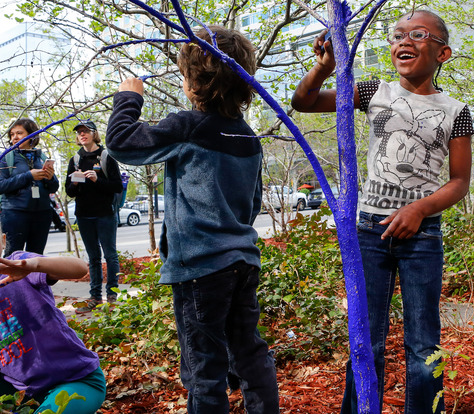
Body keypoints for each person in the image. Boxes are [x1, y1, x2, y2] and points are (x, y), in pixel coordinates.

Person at [292, 10, 473, 414]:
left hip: (422, 237)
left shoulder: (455, 110)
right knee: (365, 339)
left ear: (443, 52)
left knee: (423, 344)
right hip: (369, 234)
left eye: (419, 34)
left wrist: (420, 209)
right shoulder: (376, 90)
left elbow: (460, 180)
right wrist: (324, 68)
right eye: (397, 35)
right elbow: (303, 102)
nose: (404, 40)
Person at [105, 25, 279, 414]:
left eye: (185, 75)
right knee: (249, 353)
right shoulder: (248, 137)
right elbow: (252, 204)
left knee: (204, 369)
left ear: (194, 83)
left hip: (200, 268)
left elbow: (120, 142)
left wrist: (128, 98)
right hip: (243, 262)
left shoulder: (188, 127)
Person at [0, 235, 106, 413]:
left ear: (3, 240)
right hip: (21, 393)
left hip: (75, 380)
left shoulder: (18, 265)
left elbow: (79, 269)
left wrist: (35, 265)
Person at [65, 120, 122, 312]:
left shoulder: (106, 156)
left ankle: (112, 296)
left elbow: (117, 186)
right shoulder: (75, 159)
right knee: (94, 257)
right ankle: (95, 297)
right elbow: (69, 192)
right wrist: (75, 183)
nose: (82, 134)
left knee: (110, 255)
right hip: (84, 215)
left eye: (86, 131)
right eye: (79, 132)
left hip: (105, 214)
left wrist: (98, 180)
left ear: (94, 134)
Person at [0, 118, 59, 256]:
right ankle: (11, 279)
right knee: (12, 255)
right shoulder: (5, 158)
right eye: (12, 134)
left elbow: (54, 188)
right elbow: (1, 185)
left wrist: (50, 178)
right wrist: (28, 176)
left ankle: (31, 279)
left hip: (42, 214)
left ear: (32, 135)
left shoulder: (41, 157)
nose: (15, 137)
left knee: (36, 256)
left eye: (19, 133)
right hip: (14, 213)